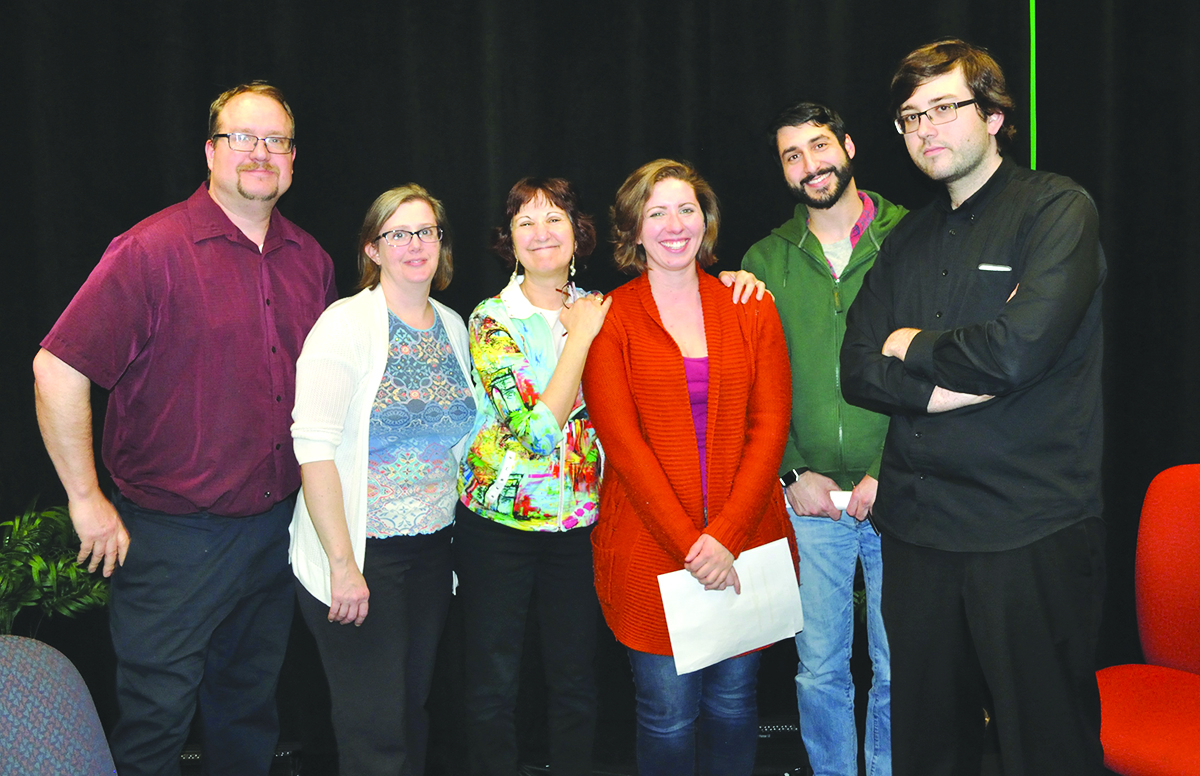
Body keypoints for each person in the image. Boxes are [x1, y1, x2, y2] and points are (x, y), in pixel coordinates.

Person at [32, 82, 336, 776]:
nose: (260, 153)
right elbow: (56, 369)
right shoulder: (150, 251)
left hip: (273, 534)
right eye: (242, 138)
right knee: (154, 724)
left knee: (249, 713)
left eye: (276, 141)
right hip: (173, 540)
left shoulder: (310, 262)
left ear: (292, 159)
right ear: (210, 151)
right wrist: (85, 499)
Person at [840, 39, 1106, 776]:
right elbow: (857, 369)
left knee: (1046, 746)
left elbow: (1017, 354)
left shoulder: (1057, 210)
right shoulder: (904, 240)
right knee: (928, 748)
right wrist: (968, 361)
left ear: (993, 115)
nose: (925, 129)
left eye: (945, 108)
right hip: (918, 533)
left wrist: (911, 343)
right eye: (910, 117)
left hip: (1028, 531)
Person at [582, 159, 795, 776]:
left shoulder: (751, 304)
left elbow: (770, 429)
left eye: (687, 209)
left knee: (734, 705)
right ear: (633, 230)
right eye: (657, 212)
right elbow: (622, 447)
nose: (675, 225)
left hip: (745, 543)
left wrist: (723, 538)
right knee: (666, 716)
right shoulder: (610, 319)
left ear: (706, 220)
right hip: (652, 551)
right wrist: (691, 546)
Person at [742, 101, 906, 776]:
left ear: (849, 144)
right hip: (808, 501)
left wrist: (886, 469)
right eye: (792, 156)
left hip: (901, 491)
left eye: (818, 146)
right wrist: (789, 473)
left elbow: (936, 369)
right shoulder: (763, 260)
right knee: (818, 671)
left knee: (903, 667)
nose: (810, 165)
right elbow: (751, 386)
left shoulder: (913, 238)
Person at [290, 185, 476, 776]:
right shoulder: (342, 326)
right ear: (373, 248)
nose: (415, 244)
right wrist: (343, 564)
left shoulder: (452, 325)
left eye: (426, 231)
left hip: (430, 552)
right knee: (375, 730)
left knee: (410, 713)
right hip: (360, 554)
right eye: (398, 233)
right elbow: (313, 451)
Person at [454, 177, 611, 776]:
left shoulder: (603, 308)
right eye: (526, 222)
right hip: (499, 527)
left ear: (578, 234)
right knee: (493, 684)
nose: (541, 234)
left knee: (576, 682)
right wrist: (582, 335)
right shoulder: (492, 321)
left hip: (579, 527)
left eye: (555, 220)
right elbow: (537, 432)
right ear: (509, 241)